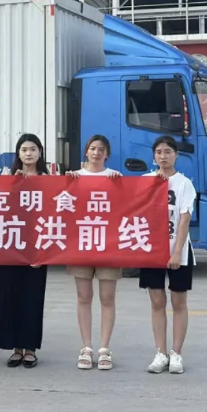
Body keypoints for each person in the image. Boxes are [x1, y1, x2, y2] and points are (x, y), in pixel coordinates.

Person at [0, 133, 49, 368]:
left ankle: (30, 348)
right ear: (18, 154)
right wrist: (11, 183)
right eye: (24, 150)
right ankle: (16, 348)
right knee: (10, 295)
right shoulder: (7, 177)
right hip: (10, 245)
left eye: (33, 149)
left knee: (32, 297)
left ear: (40, 153)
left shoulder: (49, 180)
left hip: (36, 247)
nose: (28, 153)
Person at [139, 135, 196, 375]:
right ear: (154, 156)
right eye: (159, 152)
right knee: (156, 301)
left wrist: (176, 253)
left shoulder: (184, 184)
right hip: (151, 249)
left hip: (177, 249)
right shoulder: (145, 181)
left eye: (168, 152)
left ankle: (176, 353)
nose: (163, 156)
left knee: (178, 302)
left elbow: (184, 220)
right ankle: (160, 352)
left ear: (176, 155)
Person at [65, 134, 122, 371]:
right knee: (83, 297)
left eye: (101, 149)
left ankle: (104, 348)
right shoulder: (74, 177)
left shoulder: (115, 177)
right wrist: (67, 183)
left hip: (108, 245)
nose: (96, 152)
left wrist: (120, 185)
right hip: (81, 243)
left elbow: (128, 205)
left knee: (107, 298)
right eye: (93, 148)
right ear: (86, 151)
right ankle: (86, 347)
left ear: (107, 154)